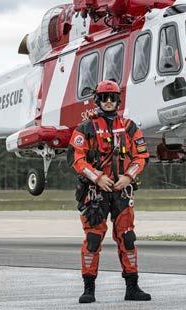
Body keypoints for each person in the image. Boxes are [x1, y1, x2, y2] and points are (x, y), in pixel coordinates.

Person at [68, 80, 151, 304]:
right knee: (93, 239)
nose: (108, 101)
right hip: (95, 192)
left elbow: (142, 156)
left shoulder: (130, 126)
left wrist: (128, 177)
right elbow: (77, 158)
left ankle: (132, 287)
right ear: (97, 100)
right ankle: (89, 289)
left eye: (112, 97)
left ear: (117, 100)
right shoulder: (85, 128)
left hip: (122, 192)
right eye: (104, 97)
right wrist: (98, 177)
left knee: (128, 237)